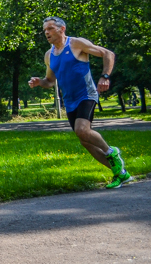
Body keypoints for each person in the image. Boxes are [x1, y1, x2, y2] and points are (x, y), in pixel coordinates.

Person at [28, 16, 132, 189]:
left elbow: (108, 54)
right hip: (70, 101)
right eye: (45, 30)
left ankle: (111, 151)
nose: (46, 32)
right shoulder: (49, 55)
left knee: (82, 130)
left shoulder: (76, 44)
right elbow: (50, 81)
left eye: (50, 28)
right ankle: (120, 173)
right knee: (85, 140)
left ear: (62, 29)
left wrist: (105, 76)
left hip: (86, 94)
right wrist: (39, 82)